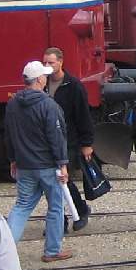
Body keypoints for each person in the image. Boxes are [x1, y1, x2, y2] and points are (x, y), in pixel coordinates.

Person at [3, 60, 73, 264]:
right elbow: (57, 137)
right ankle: (52, 250)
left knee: (22, 206)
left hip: (25, 165)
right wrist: (62, 164)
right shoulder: (48, 105)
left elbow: (8, 135)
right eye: (44, 76)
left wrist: (12, 159)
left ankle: (4, 250)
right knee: (55, 206)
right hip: (48, 165)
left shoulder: (13, 103)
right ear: (40, 80)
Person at [43, 47, 95, 233]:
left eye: (51, 62)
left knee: (63, 179)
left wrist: (87, 143)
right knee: (55, 179)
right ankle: (63, 218)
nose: (48, 66)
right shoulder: (43, 83)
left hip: (69, 139)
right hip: (48, 140)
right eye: (45, 63)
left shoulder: (73, 85)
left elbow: (83, 115)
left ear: (60, 62)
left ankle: (77, 211)